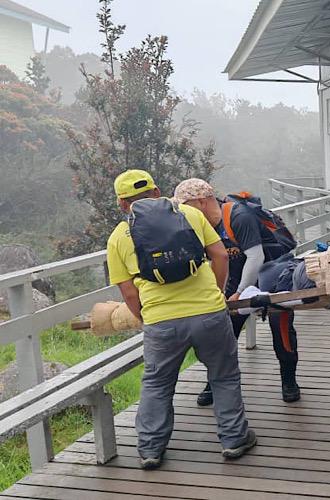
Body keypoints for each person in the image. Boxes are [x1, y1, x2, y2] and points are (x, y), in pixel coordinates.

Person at [106, 170, 256, 469]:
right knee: (224, 375)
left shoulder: (117, 238)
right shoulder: (189, 213)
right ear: (157, 190)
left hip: (162, 322)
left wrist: (147, 317)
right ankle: (234, 439)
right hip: (209, 313)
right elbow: (221, 256)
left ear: (122, 203)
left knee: (157, 383)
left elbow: (128, 292)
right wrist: (215, 293)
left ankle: (150, 449)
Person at [173, 179, 301, 404]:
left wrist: (241, 292)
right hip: (238, 272)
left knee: (279, 327)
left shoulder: (239, 216)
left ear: (201, 202)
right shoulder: (201, 224)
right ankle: (214, 382)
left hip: (274, 272)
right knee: (223, 330)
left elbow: (256, 256)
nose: (181, 212)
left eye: (185, 205)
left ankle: (289, 380)